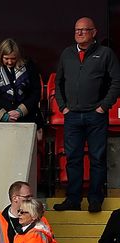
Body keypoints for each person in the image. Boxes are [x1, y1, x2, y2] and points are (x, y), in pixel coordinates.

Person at [53, 17, 120, 213]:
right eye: (77, 30)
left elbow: (116, 82)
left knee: (97, 158)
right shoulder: (67, 53)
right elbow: (58, 83)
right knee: (73, 158)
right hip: (72, 116)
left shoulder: (105, 54)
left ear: (94, 32)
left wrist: (103, 106)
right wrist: (63, 107)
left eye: (84, 30)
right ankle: (73, 199)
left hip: (96, 116)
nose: (79, 33)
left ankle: (95, 200)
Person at [0, 39, 43, 125]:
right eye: (6, 58)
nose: (10, 62)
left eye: (13, 58)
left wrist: (20, 111)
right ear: (0, 56)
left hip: (25, 118)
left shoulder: (29, 66)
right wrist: (3, 116)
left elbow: (35, 92)